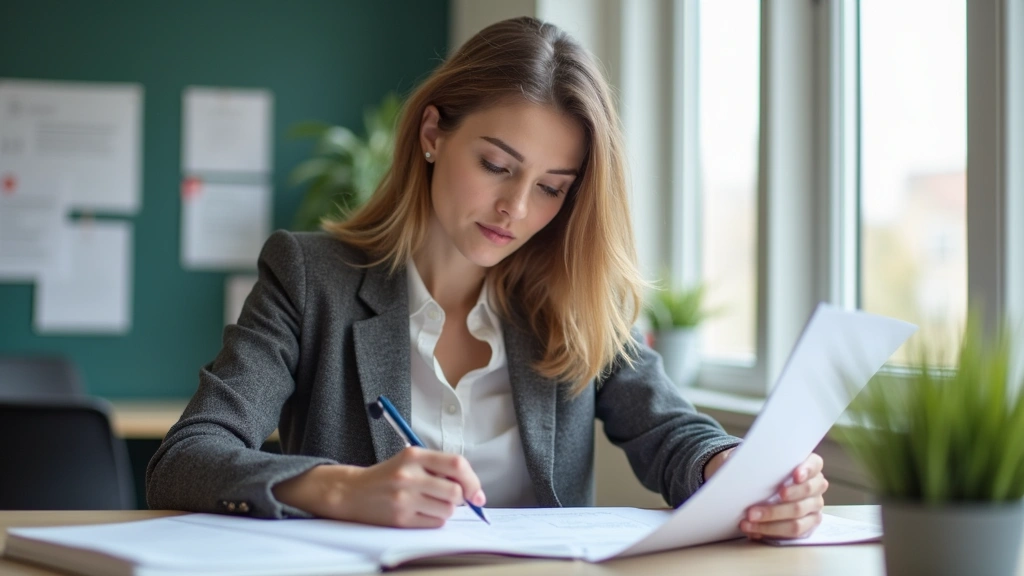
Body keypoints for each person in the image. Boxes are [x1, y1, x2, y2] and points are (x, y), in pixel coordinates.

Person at [147, 16, 828, 540]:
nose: (517, 209)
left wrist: (737, 475)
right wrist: (341, 488)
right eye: (498, 166)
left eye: (552, 188)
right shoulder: (308, 278)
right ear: (433, 133)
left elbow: (671, 433)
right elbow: (186, 459)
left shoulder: (575, 294)